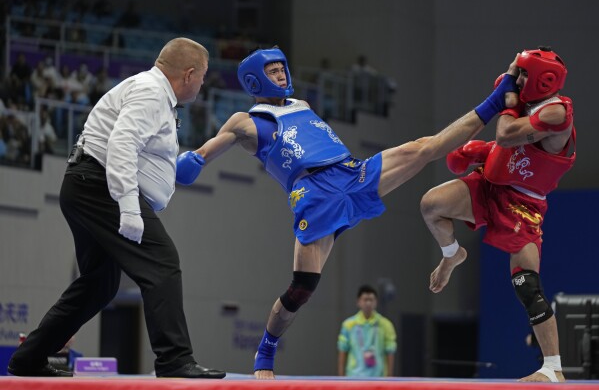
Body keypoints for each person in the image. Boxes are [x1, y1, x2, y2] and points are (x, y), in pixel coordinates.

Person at [175, 47, 519, 379]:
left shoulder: (302, 104)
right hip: (314, 195)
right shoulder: (246, 121)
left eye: (282, 68)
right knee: (302, 288)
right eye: (272, 71)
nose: (281, 74)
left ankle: (495, 101)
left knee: (423, 148)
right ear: (254, 81)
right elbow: (210, 148)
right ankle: (266, 350)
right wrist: (194, 161)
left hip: (353, 173)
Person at [8, 38, 226, 379]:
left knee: (99, 283)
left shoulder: (154, 94)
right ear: (189, 74)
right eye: (203, 77)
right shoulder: (152, 92)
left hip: (86, 184)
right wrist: (128, 206)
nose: (202, 84)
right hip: (100, 185)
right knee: (162, 262)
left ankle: (28, 358)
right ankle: (174, 360)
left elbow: (137, 148)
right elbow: (121, 143)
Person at [420, 47, 573, 383]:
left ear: (543, 80)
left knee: (526, 285)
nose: (515, 80)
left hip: (524, 204)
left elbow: (505, 134)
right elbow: (505, 145)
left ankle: (553, 369)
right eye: (516, 73)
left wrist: (508, 99)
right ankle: (451, 254)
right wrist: (485, 154)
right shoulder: (523, 100)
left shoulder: (556, 113)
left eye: (522, 74)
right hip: (489, 186)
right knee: (431, 205)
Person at [337, 285, 397, 377]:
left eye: (371, 300)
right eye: (365, 299)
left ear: (376, 302)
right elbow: (342, 351)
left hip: (378, 378)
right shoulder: (348, 324)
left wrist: (389, 378)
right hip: (354, 378)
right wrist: (341, 379)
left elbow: (390, 352)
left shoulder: (386, 325)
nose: (368, 303)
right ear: (358, 302)